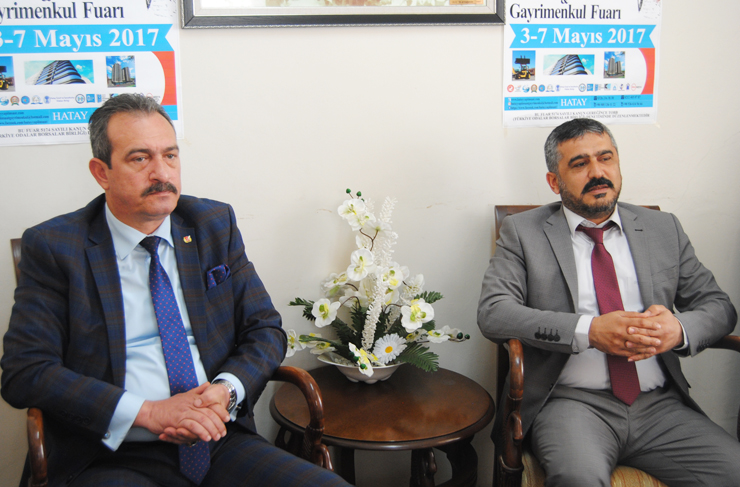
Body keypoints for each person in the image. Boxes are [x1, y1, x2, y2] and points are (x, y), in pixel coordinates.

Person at [1, 94, 350, 487]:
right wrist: (149, 412)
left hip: (218, 440)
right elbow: (25, 371)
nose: (161, 172)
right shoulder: (56, 247)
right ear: (101, 172)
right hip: (110, 455)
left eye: (170, 155)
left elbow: (265, 329)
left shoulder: (212, 223)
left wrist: (225, 391)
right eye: (140, 158)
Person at [478, 118, 740, 486]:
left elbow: (719, 306)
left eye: (606, 158)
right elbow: (494, 312)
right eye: (580, 164)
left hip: (660, 407)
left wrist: (678, 330)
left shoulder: (663, 227)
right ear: (554, 181)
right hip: (571, 404)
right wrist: (589, 331)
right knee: (578, 478)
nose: (598, 173)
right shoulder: (523, 231)